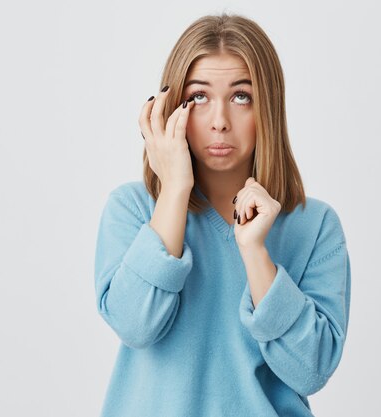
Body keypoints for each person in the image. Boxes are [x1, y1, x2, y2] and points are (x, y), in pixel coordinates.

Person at [94, 12, 351, 417]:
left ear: (268, 107)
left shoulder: (314, 226)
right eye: (199, 97)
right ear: (171, 106)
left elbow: (311, 371)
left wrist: (254, 252)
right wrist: (175, 190)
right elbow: (135, 325)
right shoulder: (132, 209)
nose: (219, 122)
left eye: (241, 97)